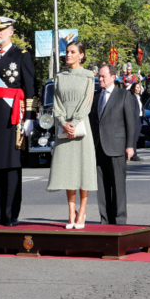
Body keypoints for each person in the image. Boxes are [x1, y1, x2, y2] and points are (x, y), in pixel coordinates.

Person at [0, 16, 37, 227]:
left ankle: (11, 214)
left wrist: (30, 118)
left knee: (12, 166)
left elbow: (30, 88)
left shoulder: (21, 55)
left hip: (14, 118)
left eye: (2, 30)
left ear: (11, 31)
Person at [46, 42, 97, 229]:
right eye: (67, 52)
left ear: (81, 55)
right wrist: (62, 121)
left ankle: (82, 212)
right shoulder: (59, 77)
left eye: (72, 52)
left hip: (81, 128)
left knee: (82, 171)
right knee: (67, 171)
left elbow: (87, 103)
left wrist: (74, 123)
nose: (68, 55)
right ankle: (70, 213)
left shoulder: (88, 76)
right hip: (64, 128)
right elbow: (56, 103)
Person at [88, 64, 135, 225]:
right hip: (98, 146)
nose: (100, 79)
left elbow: (131, 122)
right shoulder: (95, 96)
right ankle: (105, 219)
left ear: (113, 77)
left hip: (117, 147)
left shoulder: (123, 95)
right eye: (99, 77)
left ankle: (120, 219)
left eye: (103, 76)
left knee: (118, 186)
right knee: (102, 186)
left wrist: (130, 145)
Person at [128, 82, 143, 162]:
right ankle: (134, 155)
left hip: (139, 118)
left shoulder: (139, 96)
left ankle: (134, 153)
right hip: (134, 119)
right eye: (137, 87)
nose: (138, 89)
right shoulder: (132, 97)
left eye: (139, 87)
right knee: (134, 138)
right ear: (133, 88)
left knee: (136, 137)